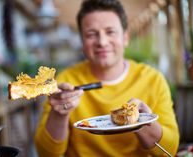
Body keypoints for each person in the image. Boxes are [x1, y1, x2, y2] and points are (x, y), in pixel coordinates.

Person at [34, 0, 179, 156]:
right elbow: (46, 153)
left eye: (110, 32)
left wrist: (141, 121)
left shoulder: (153, 80)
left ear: (125, 38)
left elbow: (169, 150)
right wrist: (59, 113)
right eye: (91, 34)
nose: (102, 42)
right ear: (82, 42)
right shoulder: (66, 80)